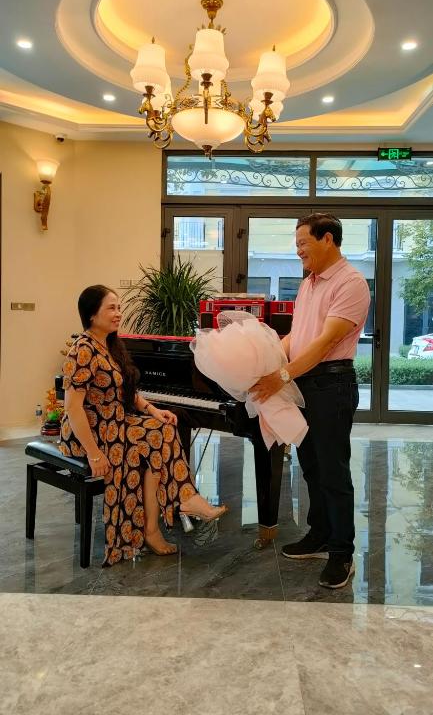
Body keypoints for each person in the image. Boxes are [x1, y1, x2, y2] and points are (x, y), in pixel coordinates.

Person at [59, 284, 227, 567]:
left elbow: (127, 393)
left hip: (115, 423)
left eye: (119, 307)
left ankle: (159, 523)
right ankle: (179, 505)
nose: (118, 313)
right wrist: (94, 454)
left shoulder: (111, 344)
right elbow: (72, 408)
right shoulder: (82, 350)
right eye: (111, 308)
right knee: (157, 437)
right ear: (91, 315)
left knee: (162, 430)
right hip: (86, 432)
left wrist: (154, 410)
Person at [250, 213, 370, 589]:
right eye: (297, 243)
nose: (298, 250)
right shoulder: (308, 283)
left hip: (331, 385)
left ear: (328, 239)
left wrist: (281, 376)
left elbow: (324, 343)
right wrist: (266, 357)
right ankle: (319, 534)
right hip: (303, 384)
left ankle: (342, 553)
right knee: (312, 467)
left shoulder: (351, 283)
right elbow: (297, 337)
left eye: (303, 242)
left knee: (334, 472)